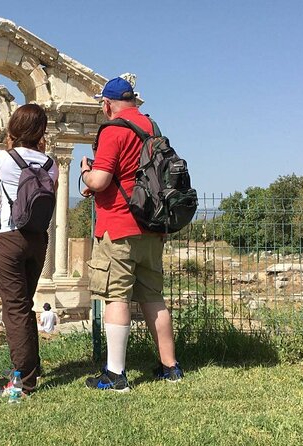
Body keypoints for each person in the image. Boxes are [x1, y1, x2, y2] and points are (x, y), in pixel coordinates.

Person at [81, 77, 183, 392]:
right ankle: (171, 367)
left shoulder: (113, 130)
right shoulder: (153, 128)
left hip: (119, 226)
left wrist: (86, 170)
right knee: (153, 297)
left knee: (117, 296)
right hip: (152, 227)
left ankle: (115, 374)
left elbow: (100, 181)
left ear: (108, 103)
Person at [0, 103, 58, 395]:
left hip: (9, 237)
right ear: (42, 130)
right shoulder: (52, 164)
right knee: (25, 305)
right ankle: (30, 369)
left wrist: (8, 145)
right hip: (38, 238)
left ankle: (21, 383)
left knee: (14, 309)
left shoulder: (2, 157)